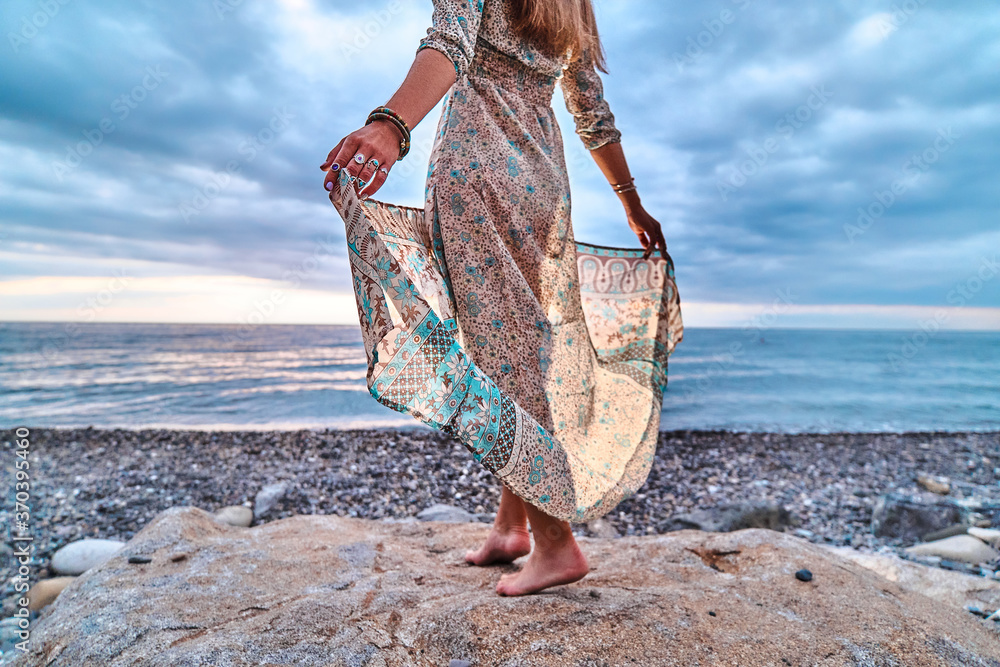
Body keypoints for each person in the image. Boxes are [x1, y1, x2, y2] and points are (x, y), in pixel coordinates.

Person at [322, 0, 678, 596]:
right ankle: (512, 528)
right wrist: (630, 202)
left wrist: (391, 124)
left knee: (501, 355)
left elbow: (449, 41)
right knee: (518, 344)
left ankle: (557, 544)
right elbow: (593, 114)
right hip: (542, 181)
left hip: (478, 172)